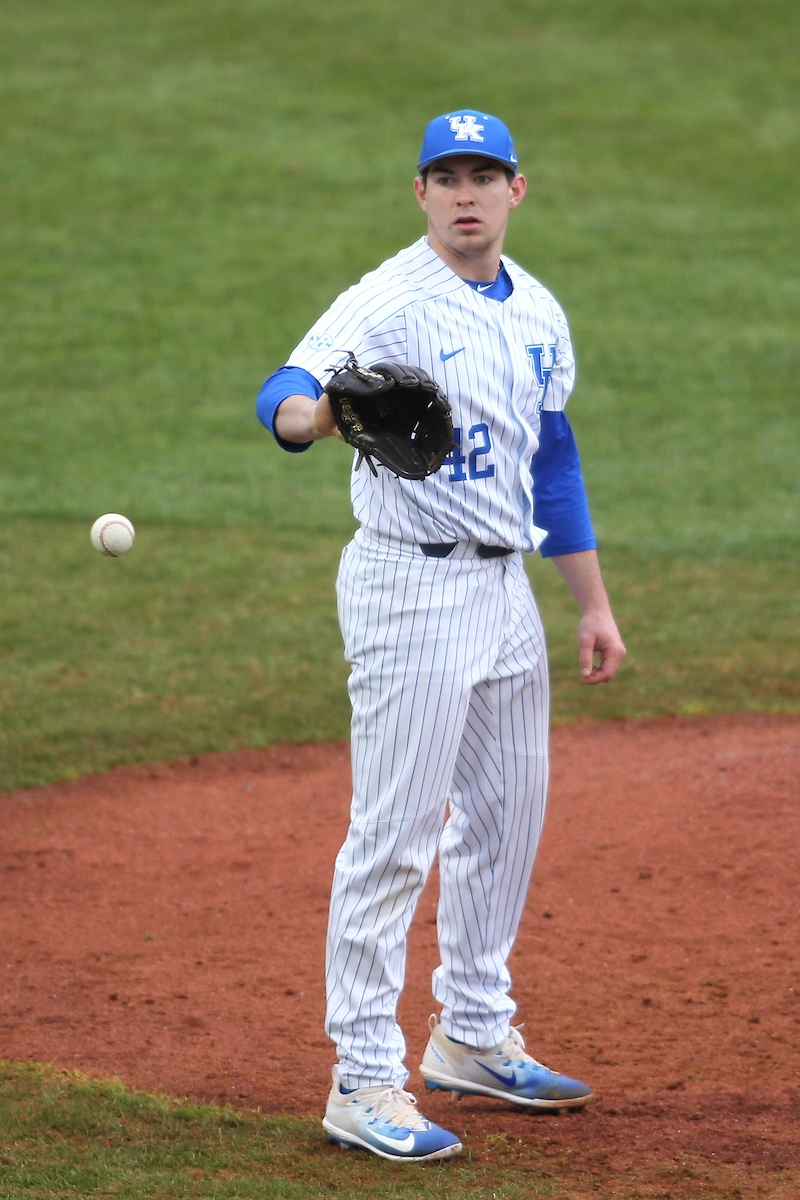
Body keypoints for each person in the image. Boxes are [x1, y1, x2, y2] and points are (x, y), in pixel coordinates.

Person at [256, 109, 626, 1163]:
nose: (466, 193)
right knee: (394, 836)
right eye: (445, 177)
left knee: (507, 816)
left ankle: (469, 1031)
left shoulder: (537, 310)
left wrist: (589, 603)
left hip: (503, 589)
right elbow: (282, 391)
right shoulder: (388, 301)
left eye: (484, 175)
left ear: (518, 190)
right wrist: (313, 418)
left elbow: (550, 460)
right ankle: (361, 1079)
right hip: (407, 592)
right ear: (419, 193)